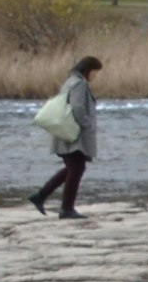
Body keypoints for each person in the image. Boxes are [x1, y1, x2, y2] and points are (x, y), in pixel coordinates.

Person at [31, 55, 102, 217]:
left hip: (67, 133)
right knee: (76, 168)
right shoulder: (79, 84)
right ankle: (66, 209)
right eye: (95, 72)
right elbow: (77, 108)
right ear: (88, 70)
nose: (95, 76)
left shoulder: (70, 81)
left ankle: (41, 196)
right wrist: (87, 125)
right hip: (73, 134)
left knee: (73, 168)